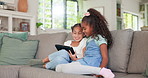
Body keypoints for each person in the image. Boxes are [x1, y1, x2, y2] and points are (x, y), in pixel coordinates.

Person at [56, 8, 115, 78]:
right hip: (85, 61)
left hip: (93, 64)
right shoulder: (88, 39)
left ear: (93, 26)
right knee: (58, 68)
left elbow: (105, 58)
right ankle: (95, 70)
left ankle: (100, 71)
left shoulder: (100, 38)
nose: (83, 31)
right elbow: (86, 56)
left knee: (64, 68)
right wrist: (76, 59)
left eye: (84, 29)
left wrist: (100, 70)